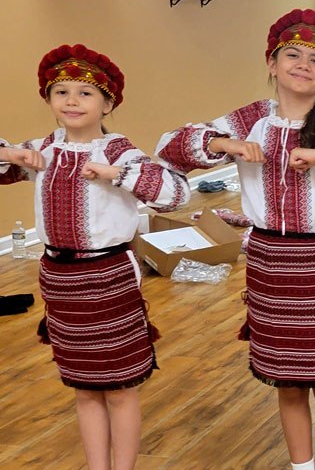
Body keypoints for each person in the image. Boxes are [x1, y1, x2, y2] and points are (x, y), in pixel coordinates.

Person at [155, 9, 315, 470]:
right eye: (291, 55)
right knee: (289, 379)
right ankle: (302, 467)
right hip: (269, 261)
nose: (302, 64)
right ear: (273, 63)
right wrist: (225, 145)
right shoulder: (251, 119)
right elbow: (170, 145)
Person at [0, 43, 190, 470]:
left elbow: (176, 193)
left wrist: (117, 175)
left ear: (108, 103)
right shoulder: (42, 150)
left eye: (85, 93)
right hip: (59, 281)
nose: (71, 100)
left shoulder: (119, 151)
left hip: (108, 278)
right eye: (61, 91)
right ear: (48, 100)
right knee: (84, 386)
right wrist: (9, 153)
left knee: (119, 384)